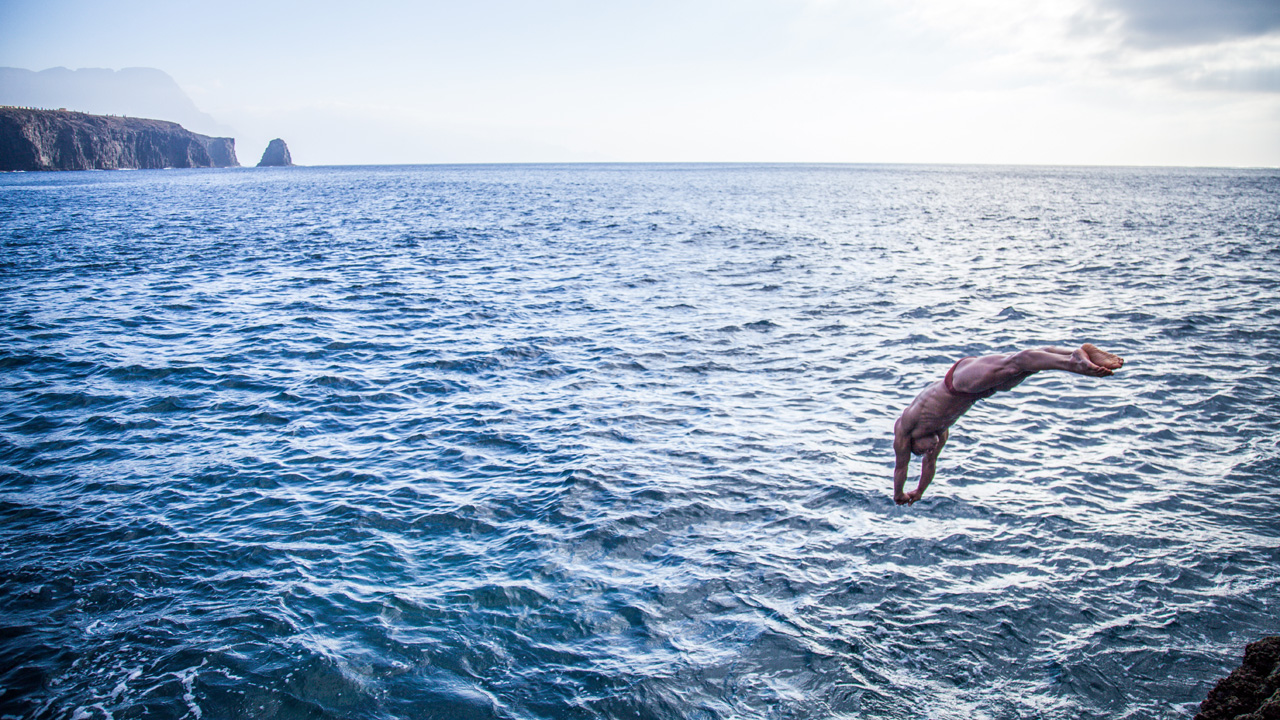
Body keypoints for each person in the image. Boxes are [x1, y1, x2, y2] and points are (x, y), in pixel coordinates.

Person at [892, 343, 1124, 505]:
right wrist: (919, 491)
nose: (929, 451)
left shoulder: (907, 425)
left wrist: (899, 493)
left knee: (1016, 362)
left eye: (921, 451)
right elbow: (930, 466)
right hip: (977, 391)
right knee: (1026, 367)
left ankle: (1075, 362)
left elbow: (901, 467)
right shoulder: (940, 434)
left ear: (913, 442)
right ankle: (1082, 354)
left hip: (957, 382)